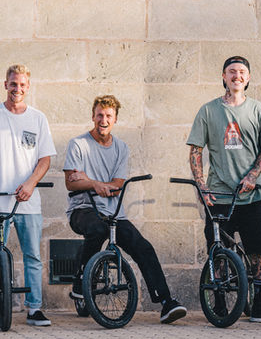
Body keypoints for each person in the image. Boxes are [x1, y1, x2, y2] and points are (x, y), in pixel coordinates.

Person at [63, 95, 186, 324]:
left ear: (115, 119)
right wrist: (95, 184)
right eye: (100, 115)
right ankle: (82, 281)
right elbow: (71, 183)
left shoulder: (121, 147)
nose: (104, 120)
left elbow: (117, 185)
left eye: (108, 116)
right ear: (93, 117)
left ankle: (166, 302)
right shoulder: (78, 144)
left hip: (114, 212)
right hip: (83, 208)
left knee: (143, 247)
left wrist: (87, 179)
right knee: (97, 229)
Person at [187, 56, 261, 323]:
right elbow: (196, 150)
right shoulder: (208, 111)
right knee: (217, 249)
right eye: (231, 71)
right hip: (220, 193)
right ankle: (219, 300)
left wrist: (253, 175)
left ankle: (258, 300)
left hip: (252, 194)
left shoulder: (259, 109)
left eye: (242, 72)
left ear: (248, 78)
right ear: (224, 77)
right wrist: (201, 185)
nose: (237, 76)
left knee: (259, 249)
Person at [0, 64, 56, 326]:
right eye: (13, 84)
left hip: (28, 202)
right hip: (0, 201)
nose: (17, 89)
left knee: (32, 256)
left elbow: (45, 159)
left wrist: (30, 184)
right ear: (6, 85)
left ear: (28, 87)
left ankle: (34, 309)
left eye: (22, 85)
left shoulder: (38, 118)